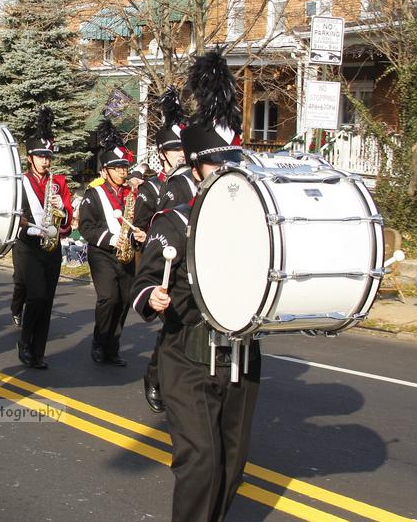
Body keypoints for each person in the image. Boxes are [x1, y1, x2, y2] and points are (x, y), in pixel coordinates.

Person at [131, 49, 261, 522]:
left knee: (233, 466)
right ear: (197, 167)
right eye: (217, 164)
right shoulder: (175, 220)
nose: (227, 171)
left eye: (233, 161)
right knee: (201, 463)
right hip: (186, 354)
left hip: (241, 356)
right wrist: (153, 296)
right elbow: (143, 282)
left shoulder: (258, 223)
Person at [139, 87, 189, 414]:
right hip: (166, 258)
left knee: (176, 328)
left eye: (183, 148)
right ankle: (156, 378)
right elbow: (155, 225)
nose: (180, 154)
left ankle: (160, 376)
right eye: (173, 150)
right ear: (163, 153)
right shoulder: (166, 186)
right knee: (171, 326)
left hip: (190, 258)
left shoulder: (188, 179)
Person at [14, 107, 74, 369]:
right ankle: (25, 343)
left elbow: (69, 217)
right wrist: (23, 223)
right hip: (28, 246)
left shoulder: (58, 182)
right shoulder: (20, 181)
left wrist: (62, 207)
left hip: (52, 246)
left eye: (49, 156)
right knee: (36, 296)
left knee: (47, 300)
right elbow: (13, 211)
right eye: (41, 156)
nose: (46, 161)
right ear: (30, 158)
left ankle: (38, 351)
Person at [79, 119, 141, 366]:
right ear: (105, 170)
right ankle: (99, 342)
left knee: (124, 301)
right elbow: (86, 227)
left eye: (125, 168)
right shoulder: (94, 193)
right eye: (117, 168)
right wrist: (112, 239)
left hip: (127, 254)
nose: (123, 172)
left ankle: (112, 348)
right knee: (108, 299)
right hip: (102, 253)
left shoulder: (132, 194)